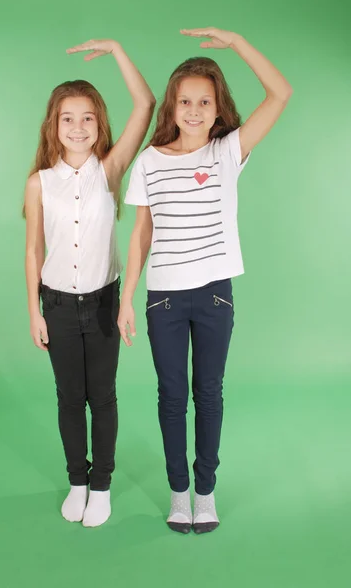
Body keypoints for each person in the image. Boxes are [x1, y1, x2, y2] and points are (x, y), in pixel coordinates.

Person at [118, 27, 292, 534]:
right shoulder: (149, 162)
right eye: (184, 101)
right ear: (171, 107)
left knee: (208, 393)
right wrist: (127, 297)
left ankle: (206, 492)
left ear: (218, 109)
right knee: (172, 394)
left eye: (204, 101)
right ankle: (179, 493)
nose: (193, 110)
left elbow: (280, 93)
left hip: (215, 295)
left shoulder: (228, 152)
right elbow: (141, 235)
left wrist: (238, 42)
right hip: (164, 298)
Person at [24, 38, 155, 527]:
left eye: (87, 118)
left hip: (102, 303)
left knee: (102, 397)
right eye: (67, 118)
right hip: (57, 305)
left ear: (99, 124)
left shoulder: (109, 169)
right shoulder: (39, 182)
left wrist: (119, 50)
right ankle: (76, 480)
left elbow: (145, 105)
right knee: (67, 398)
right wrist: (34, 311)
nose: (78, 127)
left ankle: (101, 485)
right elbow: (33, 251)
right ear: (53, 126)